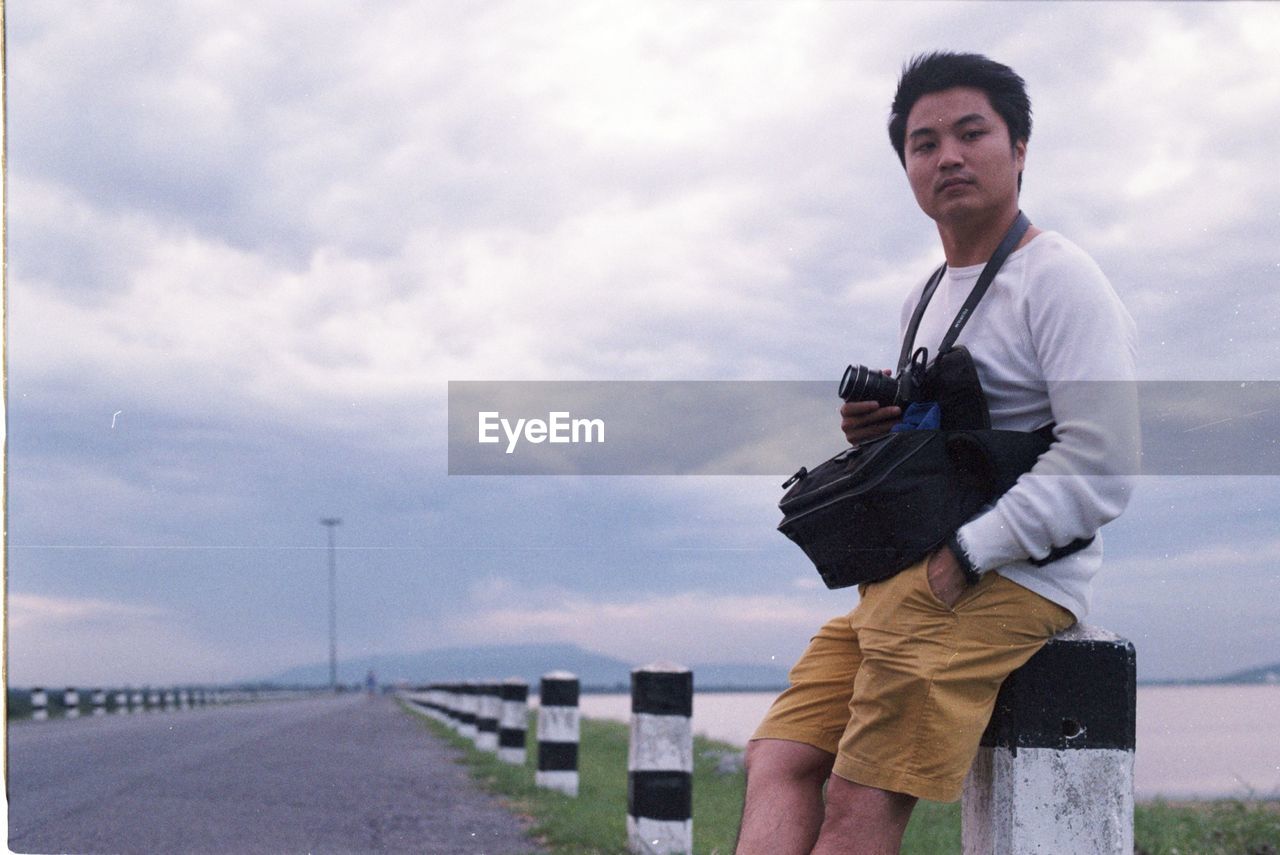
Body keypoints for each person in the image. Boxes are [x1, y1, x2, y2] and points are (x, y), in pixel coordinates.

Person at [736, 52, 1139, 854]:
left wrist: (962, 556)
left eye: (970, 132)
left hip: (1003, 578)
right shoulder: (924, 294)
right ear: (908, 170)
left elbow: (1103, 464)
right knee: (779, 755)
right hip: (913, 576)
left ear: (1018, 148)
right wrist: (878, 436)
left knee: (860, 797)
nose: (947, 155)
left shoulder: (1059, 278)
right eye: (923, 143)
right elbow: (956, 447)